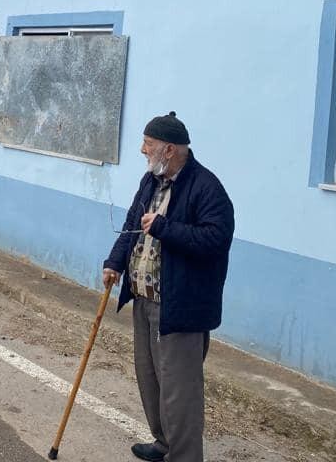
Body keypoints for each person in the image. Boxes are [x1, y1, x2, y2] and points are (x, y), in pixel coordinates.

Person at [103, 112, 235, 462]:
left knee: (180, 393)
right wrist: (114, 262)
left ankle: (185, 457)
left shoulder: (206, 187)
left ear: (170, 149)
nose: (142, 151)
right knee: (151, 382)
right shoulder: (151, 182)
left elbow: (215, 239)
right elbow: (133, 222)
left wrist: (163, 227)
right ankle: (164, 444)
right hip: (144, 300)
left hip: (179, 308)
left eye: (148, 146)